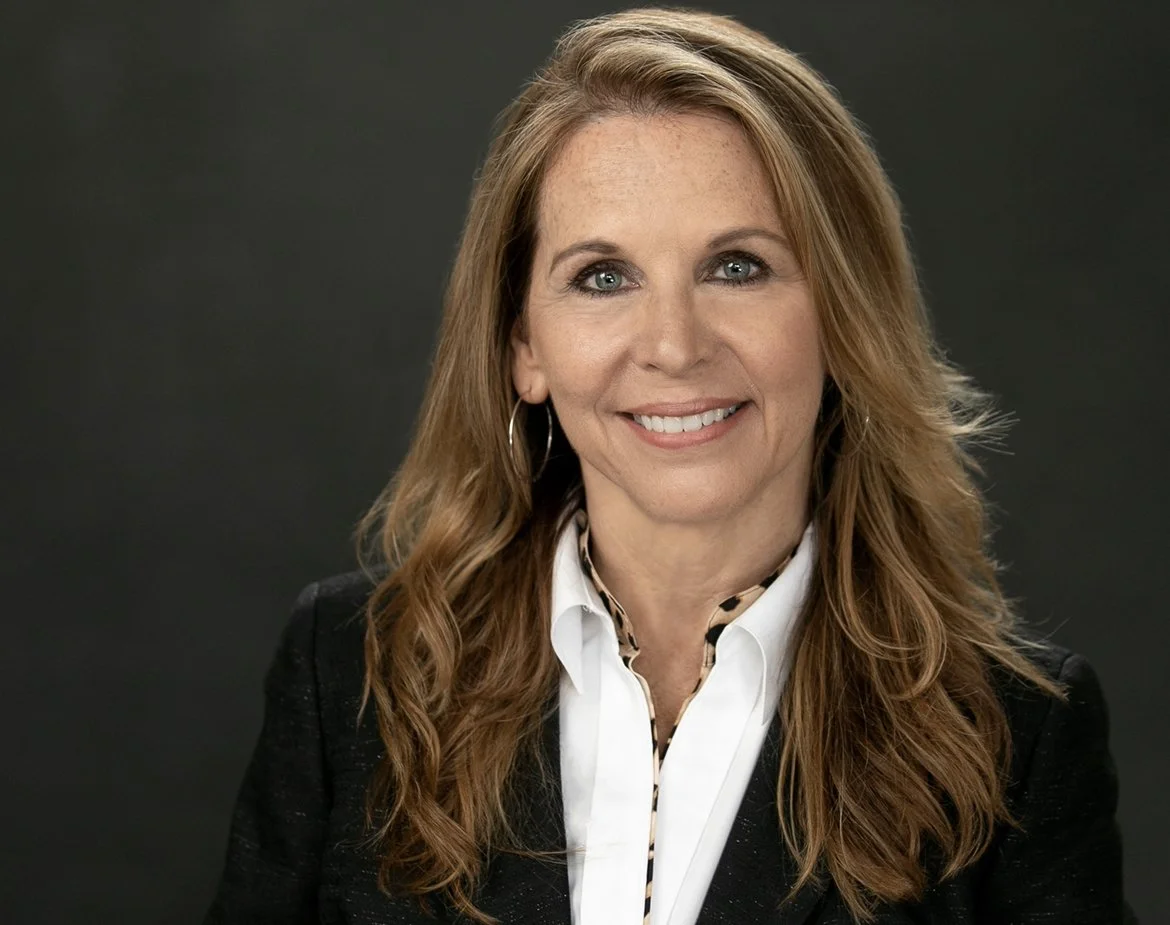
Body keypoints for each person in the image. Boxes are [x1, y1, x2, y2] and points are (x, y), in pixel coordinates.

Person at [205, 8, 1133, 924]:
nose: (674, 346)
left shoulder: (1011, 738)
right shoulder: (352, 672)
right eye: (602, 277)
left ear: (844, 317)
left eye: (737, 266)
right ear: (524, 343)